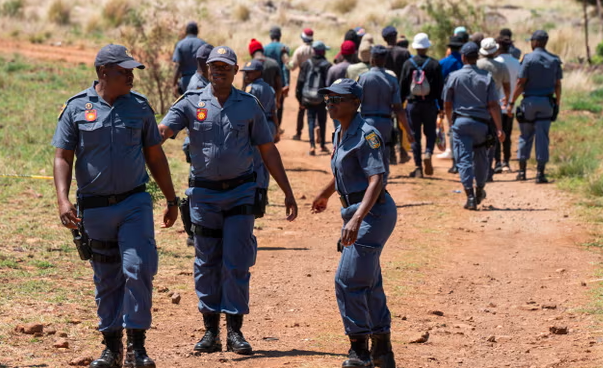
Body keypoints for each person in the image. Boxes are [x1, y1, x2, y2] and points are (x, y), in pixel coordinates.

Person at [159, 46, 298, 356]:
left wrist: (286, 191)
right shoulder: (191, 103)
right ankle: (210, 332)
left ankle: (235, 332)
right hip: (204, 196)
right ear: (207, 70)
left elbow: (268, 149)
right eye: (213, 66)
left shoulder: (249, 105)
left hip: (240, 194)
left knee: (236, 261)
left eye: (224, 66)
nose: (218, 71)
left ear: (237, 71)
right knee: (206, 261)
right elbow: (161, 132)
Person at [52, 44, 179, 368]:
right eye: (123, 71)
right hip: (94, 209)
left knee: (138, 268)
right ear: (102, 72)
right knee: (106, 278)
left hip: (133, 203)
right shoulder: (76, 108)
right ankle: (112, 348)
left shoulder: (138, 107)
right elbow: (62, 156)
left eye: (131, 71)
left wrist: (170, 198)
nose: (130, 77)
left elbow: (155, 155)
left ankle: (137, 347)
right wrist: (63, 199)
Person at [311, 79, 397, 368]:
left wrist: (357, 218)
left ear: (355, 102)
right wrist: (325, 193)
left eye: (338, 99)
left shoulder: (367, 134)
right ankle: (382, 349)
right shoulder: (340, 131)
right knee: (368, 280)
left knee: (348, 279)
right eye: (328, 99)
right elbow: (345, 171)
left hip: (373, 213)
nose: (331, 104)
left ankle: (359, 350)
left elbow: (376, 179)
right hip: (354, 211)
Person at [442, 42, 505, 210]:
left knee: (463, 159)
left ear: (463, 57)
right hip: (481, 124)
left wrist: (450, 121)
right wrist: (499, 128)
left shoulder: (453, 77)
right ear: (477, 58)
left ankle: (469, 196)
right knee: (481, 158)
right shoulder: (486, 77)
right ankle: (480, 189)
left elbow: (447, 104)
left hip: (460, 123)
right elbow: (493, 105)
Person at [508, 30, 562, 183]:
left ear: (536, 42)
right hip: (546, 102)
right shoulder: (554, 59)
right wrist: (557, 103)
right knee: (542, 137)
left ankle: (522, 172)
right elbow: (558, 85)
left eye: (531, 41)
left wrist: (512, 101)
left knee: (525, 135)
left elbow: (521, 82)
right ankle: (540, 174)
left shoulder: (528, 59)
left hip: (529, 102)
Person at [358, 45, 414, 183]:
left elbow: (355, 104)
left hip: (367, 123)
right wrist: (408, 131)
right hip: (385, 124)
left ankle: (367, 193)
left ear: (372, 59)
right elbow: (399, 109)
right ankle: (381, 191)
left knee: (368, 156)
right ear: (385, 60)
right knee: (383, 158)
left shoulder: (363, 78)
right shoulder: (392, 79)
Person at [400, 33, 443, 178]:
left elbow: (403, 86)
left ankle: (418, 167)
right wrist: (441, 107)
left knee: (414, 135)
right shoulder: (434, 64)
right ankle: (429, 152)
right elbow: (439, 88)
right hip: (430, 105)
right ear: (427, 47)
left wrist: (399, 105)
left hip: (413, 105)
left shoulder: (408, 64)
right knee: (430, 133)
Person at [477, 37, 510, 181]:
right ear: (495, 50)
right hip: (494, 106)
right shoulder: (501, 66)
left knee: (477, 140)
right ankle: (489, 169)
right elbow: (507, 86)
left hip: (477, 105)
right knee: (492, 139)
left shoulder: (477, 64)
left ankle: (478, 169)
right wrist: (507, 98)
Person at [296, 41, 331, 156]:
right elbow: (328, 84)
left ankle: (312, 146)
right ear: (323, 52)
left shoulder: (307, 64)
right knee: (322, 120)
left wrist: (300, 99)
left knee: (310, 120)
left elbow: (300, 82)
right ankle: (322, 145)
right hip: (321, 98)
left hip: (308, 97)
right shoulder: (327, 65)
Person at [438, 35, 465, 170]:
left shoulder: (443, 63)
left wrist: (440, 105)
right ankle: (462, 159)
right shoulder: (464, 61)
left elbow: (438, 84)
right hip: (464, 100)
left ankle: (455, 162)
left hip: (448, 100)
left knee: (452, 129)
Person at [494, 36, 521, 172]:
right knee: (507, 135)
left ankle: (497, 162)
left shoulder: (494, 62)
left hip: (495, 105)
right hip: (511, 104)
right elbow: (519, 83)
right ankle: (506, 162)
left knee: (496, 133)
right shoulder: (516, 63)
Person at [289, 28, 315, 141]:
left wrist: (285, 60)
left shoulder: (299, 50)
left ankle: (298, 133)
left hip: (303, 80)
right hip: (315, 80)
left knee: (301, 108)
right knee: (315, 107)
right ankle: (317, 129)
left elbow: (292, 67)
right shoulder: (315, 49)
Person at [247, 39, 283, 118]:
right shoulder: (273, 63)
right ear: (262, 50)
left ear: (251, 52)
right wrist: (277, 101)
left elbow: (244, 87)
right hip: (270, 104)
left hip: (253, 106)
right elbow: (279, 85)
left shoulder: (249, 66)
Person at [264, 26, 291, 127]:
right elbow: (286, 66)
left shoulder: (265, 48)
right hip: (281, 82)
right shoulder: (284, 48)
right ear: (280, 36)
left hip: (267, 81)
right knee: (279, 104)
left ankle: (267, 125)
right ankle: (277, 126)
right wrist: (287, 83)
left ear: (270, 36)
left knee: (267, 104)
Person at [172, 21, 206, 96]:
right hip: (200, 80)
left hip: (185, 81)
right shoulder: (203, 44)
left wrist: (174, 84)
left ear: (186, 31)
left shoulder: (180, 44)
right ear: (197, 31)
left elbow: (177, 65)